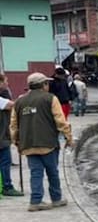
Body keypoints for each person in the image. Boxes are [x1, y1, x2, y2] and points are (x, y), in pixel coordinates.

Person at [11, 72, 72, 210]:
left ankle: (35, 201)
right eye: (47, 83)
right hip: (48, 143)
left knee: (35, 172)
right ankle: (56, 199)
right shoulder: (51, 99)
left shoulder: (19, 101)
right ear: (43, 85)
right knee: (52, 172)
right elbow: (60, 121)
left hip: (28, 144)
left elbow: (14, 124)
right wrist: (69, 137)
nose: (48, 85)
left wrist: (16, 140)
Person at [0, 72, 23, 197]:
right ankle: (7, 186)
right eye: (5, 81)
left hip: (3, 136)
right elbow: (12, 105)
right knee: (5, 162)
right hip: (1, 137)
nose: (7, 84)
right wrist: (25, 98)